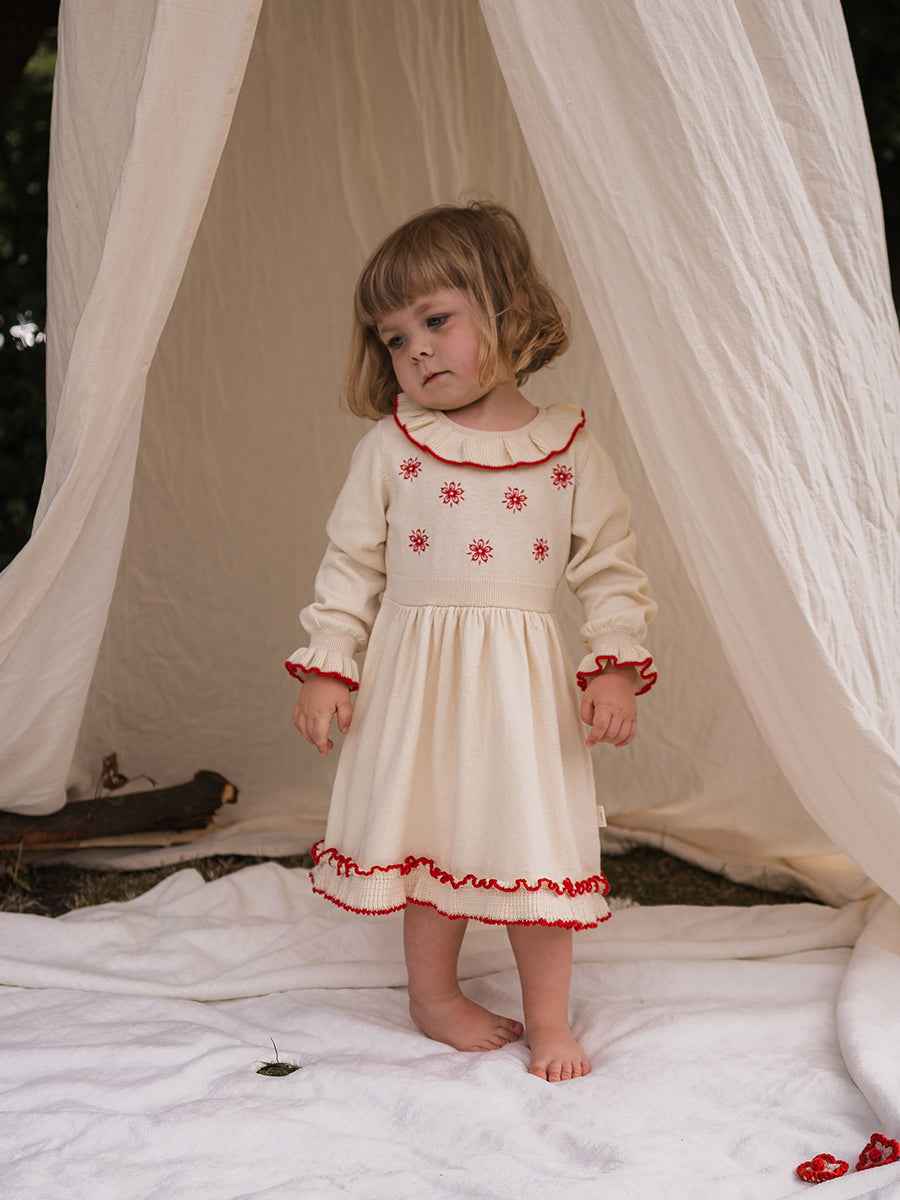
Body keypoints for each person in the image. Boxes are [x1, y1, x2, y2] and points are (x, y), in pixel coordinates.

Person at [287, 201, 657, 1082]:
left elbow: (609, 567)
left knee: (538, 845)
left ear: (505, 309)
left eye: (436, 321)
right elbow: (351, 564)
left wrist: (612, 666)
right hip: (418, 685)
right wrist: (329, 664)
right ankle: (436, 998)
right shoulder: (393, 448)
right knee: (434, 837)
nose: (415, 349)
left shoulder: (568, 449)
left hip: (521, 689)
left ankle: (550, 1019)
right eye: (394, 337)